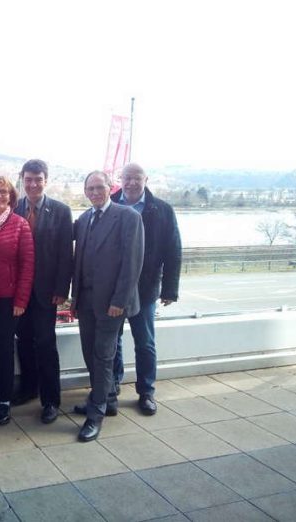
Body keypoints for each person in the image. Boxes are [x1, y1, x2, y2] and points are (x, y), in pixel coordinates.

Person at [71, 171, 143, 442]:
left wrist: (119, 302)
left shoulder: (128, 217)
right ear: (86, 191)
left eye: (99, 187)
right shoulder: (85, 218)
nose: (95, 192)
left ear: (110, 188)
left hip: (112, 303)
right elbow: (78, 261)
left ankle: (96, 414)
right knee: (90, 353)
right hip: (87, 300)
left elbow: (132, 263)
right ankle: (107, 398)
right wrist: (74, 299)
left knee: (102, 355)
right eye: (90, 188)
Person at [111, 163, 182, 415]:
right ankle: (113, 385)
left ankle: (147, 391)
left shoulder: (161, 210)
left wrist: (169, 289)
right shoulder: (108, 204)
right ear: (120, 179)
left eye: (136, 178)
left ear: (146, 179)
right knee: (113, 341)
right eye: (126, 178)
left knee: (145, 342)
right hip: (113, 288)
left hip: (145, 288)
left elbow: (173, 251)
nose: (130, 183)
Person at [13, 159, 73, 424]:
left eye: (38, 179)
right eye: (28, 179)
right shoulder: (13, 208)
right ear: (22, 180)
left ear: (46, 180)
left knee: (46, 345)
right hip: (18, 293)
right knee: (23, 342)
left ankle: (51, 400)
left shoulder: (60, 211)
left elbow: (65, 254)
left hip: (47, 293)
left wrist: (62, 289)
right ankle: (29, 389)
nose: (33, 184)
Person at [0, 176, 35, 425]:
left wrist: (20, 300)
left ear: (12, 196)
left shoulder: (19, 224)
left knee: (3, 348)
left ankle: (5, 401)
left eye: (4, 192)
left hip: (7, 299)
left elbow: (27, 265)